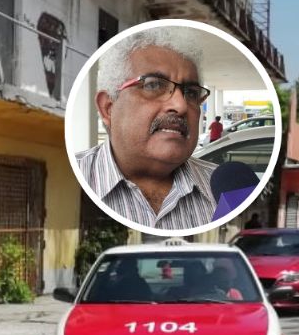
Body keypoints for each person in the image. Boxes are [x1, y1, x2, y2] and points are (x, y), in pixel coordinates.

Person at [76, 27, 217, 230]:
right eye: (153, 85)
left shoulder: (224, 190)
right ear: (108, 108)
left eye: (191, 93)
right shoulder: (78, 179)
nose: (180, 105)